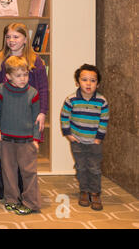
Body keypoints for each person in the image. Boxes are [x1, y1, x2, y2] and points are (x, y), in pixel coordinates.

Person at [0, 22, 49, 201]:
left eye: (16, 36)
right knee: (6, 154)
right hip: (7, 114)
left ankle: (24, 190)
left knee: (25, 156)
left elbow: (43, 89)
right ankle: (3, 187)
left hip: (28, 115)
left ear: (25, 39)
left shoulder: (35, 61)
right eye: (8, 37)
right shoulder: (0, 59)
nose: (11, 40)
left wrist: (42, 112)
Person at [0, 56, 42, 215]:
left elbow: (37, 119)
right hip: (6, 140)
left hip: (26, 141)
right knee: (8, 171)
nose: (23, 79)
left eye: (25, 75)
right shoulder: (1, 90)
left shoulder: (33, 93)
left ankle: (31, 202)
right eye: (19, 75)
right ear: (8, 76)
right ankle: (12, 199)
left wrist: (36, 139)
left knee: (29, 172)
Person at [60, 64, 109, 211]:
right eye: (84, 80)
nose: (88, 83)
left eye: (93, 80)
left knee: (94, 168)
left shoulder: (102, 101)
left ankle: (95, 193)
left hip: (95, 142)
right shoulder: (71, 99)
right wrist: (68, 134)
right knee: (81, 167)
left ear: (98, 83)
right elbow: (64, 117)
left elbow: (104, 120)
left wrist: (98, 138)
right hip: (77, 141)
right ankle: (84, 191)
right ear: (77, 82)